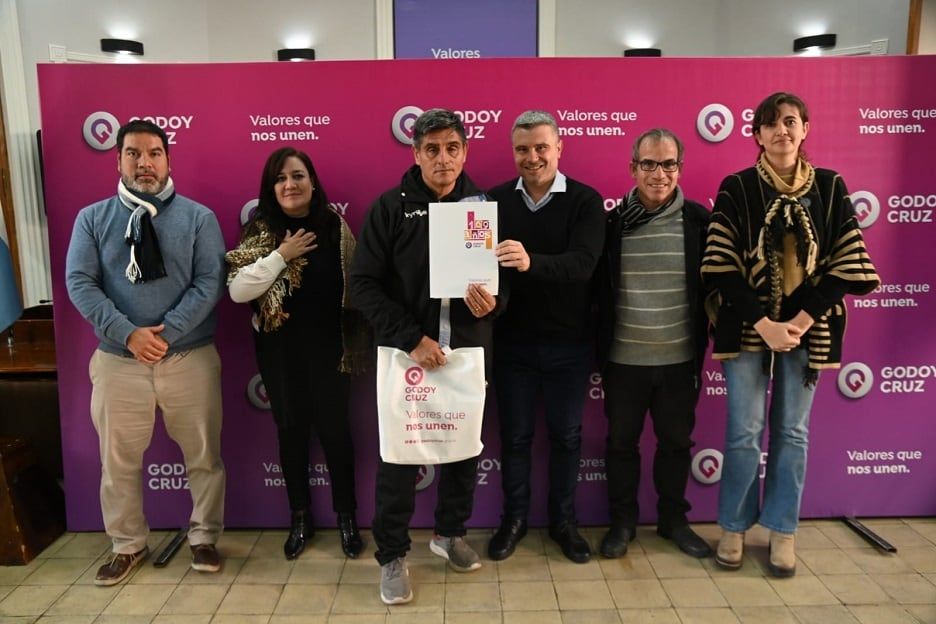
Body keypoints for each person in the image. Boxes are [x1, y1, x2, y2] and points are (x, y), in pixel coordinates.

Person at [702, 92, 879, 576]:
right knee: (742, 433)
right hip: (748, 326)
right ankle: (734, 527)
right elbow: (721, 266)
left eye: (790, 122)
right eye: (770, 124)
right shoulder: (736, 187)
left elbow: (847, 263)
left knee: (793, 433)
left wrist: (799, 323)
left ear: (805, 129)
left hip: (811, 329)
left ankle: (783, 530)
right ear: (756, 134)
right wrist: (763, 322)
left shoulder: (829, 185)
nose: (781, 131)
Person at [65, 119, 226, 585]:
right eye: (133, 153)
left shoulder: (198, 218)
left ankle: (204, 537)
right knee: (117, 461)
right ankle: (127, 544)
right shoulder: (92, 219)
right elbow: (80, 282)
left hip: (188, 358)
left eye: (154, 153)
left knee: (203, 455)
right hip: (119, 361)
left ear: (168, 160)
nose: (145, 163)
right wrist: (129, 334)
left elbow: (210, 281)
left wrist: (166, 334)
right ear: (117, 160)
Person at [349, 108, 498, 604]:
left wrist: (495, 300)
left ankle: (448, 533)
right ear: (415, 154)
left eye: (452, 148)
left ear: (464, 152)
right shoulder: (390, 208)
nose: (443, 158)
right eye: (431, 149)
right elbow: (363, 286)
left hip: (466, 356)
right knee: (399, 458)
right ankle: (392, 554)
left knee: (463, 450)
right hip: (407, 357)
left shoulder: (482, 209)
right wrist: (411, 337)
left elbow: (503, 285)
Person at [226, 147, 368, 560]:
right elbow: (238, 291)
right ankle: (300, 518)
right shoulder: (261, 229)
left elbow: (359, 283)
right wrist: (281, 256)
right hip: (281, 351)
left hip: (330, 350)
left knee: (337, 434)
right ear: (271, 188)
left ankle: (346, 517)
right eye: (281, 178)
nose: (290, 184)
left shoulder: (335, 227)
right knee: (291, 433)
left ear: (312, 181)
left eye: (298, 176)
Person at [487, 110, 605, 564]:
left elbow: (582, 267)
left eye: (541, 147)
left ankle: (563, 523)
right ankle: (513, 521)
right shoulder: (493, 202)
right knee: (514, 439)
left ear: (559, 148)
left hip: (570, 346)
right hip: (511, 344)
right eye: (522, 149)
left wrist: (529, 261)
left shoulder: (585, 201)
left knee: (567, 437)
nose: (532, 157)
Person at [594, 129, 712, 559]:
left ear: (680, 168)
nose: (658, 174)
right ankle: (622, 523)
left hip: (679, 360)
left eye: (668, 164)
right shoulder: (612, 225)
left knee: (676, 446)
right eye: (648, 163)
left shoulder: (700, 223)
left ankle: (672, 522)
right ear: (633, 168)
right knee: (621, 446)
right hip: (624, 360)